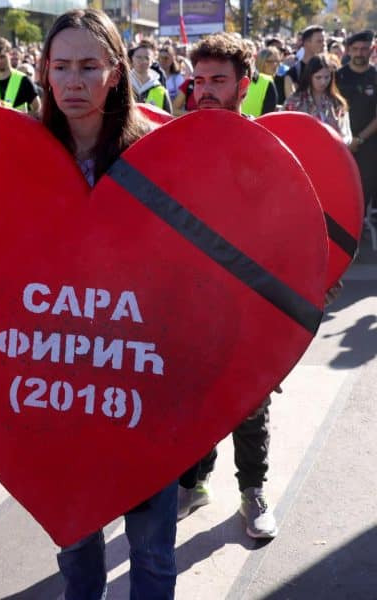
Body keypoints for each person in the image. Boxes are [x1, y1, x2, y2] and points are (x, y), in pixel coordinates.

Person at [39, 9, 176, 599]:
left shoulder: (159, 155)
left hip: (147, 383)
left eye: (89, 66)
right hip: (59, 381)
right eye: (61, 66)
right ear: (44, 72)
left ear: (116, 74)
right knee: (76, 547)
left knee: (150, 551)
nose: (73, 81)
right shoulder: (22, 157)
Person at [176, 33, 279, 540]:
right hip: (192, 301)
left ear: (245, 84)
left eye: (219, 80)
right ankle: (193, 483)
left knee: (249, 403)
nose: (207, 91)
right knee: (193, 398)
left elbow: (293, 231)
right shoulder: (179, 143)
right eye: (200, 81)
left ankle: (252, 491)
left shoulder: (269, 150)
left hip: (250, 302)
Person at [336, 30, 377, 214]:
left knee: (364, 189)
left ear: (372, 49)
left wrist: (358, 139)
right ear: (348, 50)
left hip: (368, 144)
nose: (360, 53)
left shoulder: (375, 76)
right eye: (355, 49)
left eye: (364, 49)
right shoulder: (338, 76)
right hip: (339, 143)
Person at [284, 54, 352, 143]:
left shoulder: (337, 102)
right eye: (318, 77)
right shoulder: (295, 101)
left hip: (330, 152)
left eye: (327, 77)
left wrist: (337, 134)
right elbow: (284, 130)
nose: (323, 82)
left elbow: (347, 135)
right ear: (310, 77)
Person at [0, 37, 40, 113]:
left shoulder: (23, 80)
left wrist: (23, 120)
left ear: (10, 54)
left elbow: (37, 107)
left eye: (2, 57)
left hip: (19, 124)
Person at [284, 25, 326, 103]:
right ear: (307, 43)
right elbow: (291, 103)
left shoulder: (328, 69)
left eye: (324, 41)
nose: (323, 44)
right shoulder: (294, 73)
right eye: (319, 41)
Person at [129, 44, 172, 114]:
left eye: (147, 58)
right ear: (132, 58)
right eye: (138, 57)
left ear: (152, 61)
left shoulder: (160, 89)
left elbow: (168, 118)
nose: (142, 61)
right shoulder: (124, 84)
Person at [240, 47, 280, 117]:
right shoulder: (267, 82)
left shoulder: (275, 81)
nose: (275, 65)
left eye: (277, 61)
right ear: (261, 61)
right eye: (271, 61)